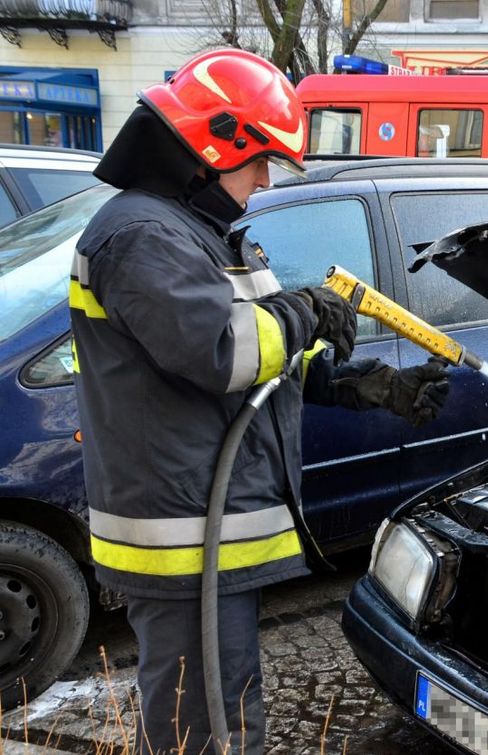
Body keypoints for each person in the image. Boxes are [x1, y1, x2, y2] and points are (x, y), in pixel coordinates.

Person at [69, 49, 449, 755]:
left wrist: (362, 383)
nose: (266, 180)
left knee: (224, 714)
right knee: (206, 730)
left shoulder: (193, 235)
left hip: (205, 538)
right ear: (218, 145)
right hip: (185, 541)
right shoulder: (142, 235)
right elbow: (221, 349)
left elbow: (257, 364)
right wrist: (306, 310)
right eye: (261, 160)